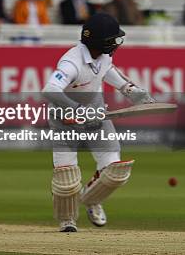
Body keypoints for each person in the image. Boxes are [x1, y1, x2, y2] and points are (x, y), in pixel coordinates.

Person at [42, 13, 155, 232]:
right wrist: (78, 110)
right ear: (102, 42)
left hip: (96, 117)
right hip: (65, 120)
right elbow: (50, 90)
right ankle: (67, 220)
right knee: (66, 181)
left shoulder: (103, 57)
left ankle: (91, 199)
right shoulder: (71, 62)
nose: (116, 43)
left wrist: (130, 90)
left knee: (115, 171)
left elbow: (107, 70)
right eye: (113, 39)